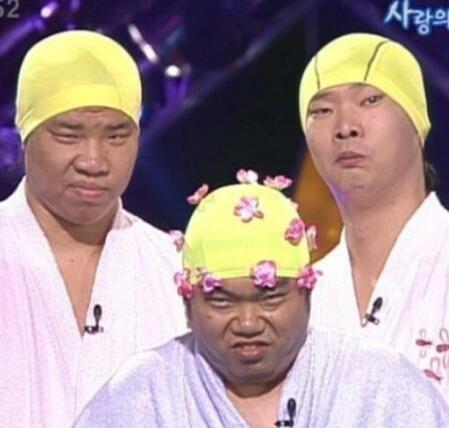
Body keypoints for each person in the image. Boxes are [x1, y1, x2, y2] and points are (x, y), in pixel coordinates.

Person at [74, 180, 449, 427]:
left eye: (269, 297)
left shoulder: (382, 387)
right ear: (188, 304)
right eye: (222, 301)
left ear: (307, 293)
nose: (248, 323)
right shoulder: (140, 396)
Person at [0, 30, 187, 428]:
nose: (94, 161)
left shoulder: (175, 269)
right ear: (25, 134)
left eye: (116, 136)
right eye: (69, 135)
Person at [299, 32, 449, 400]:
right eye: (322, 111)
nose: (345, 127)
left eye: (370, 100)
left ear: (416, 121)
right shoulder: (303, 298)